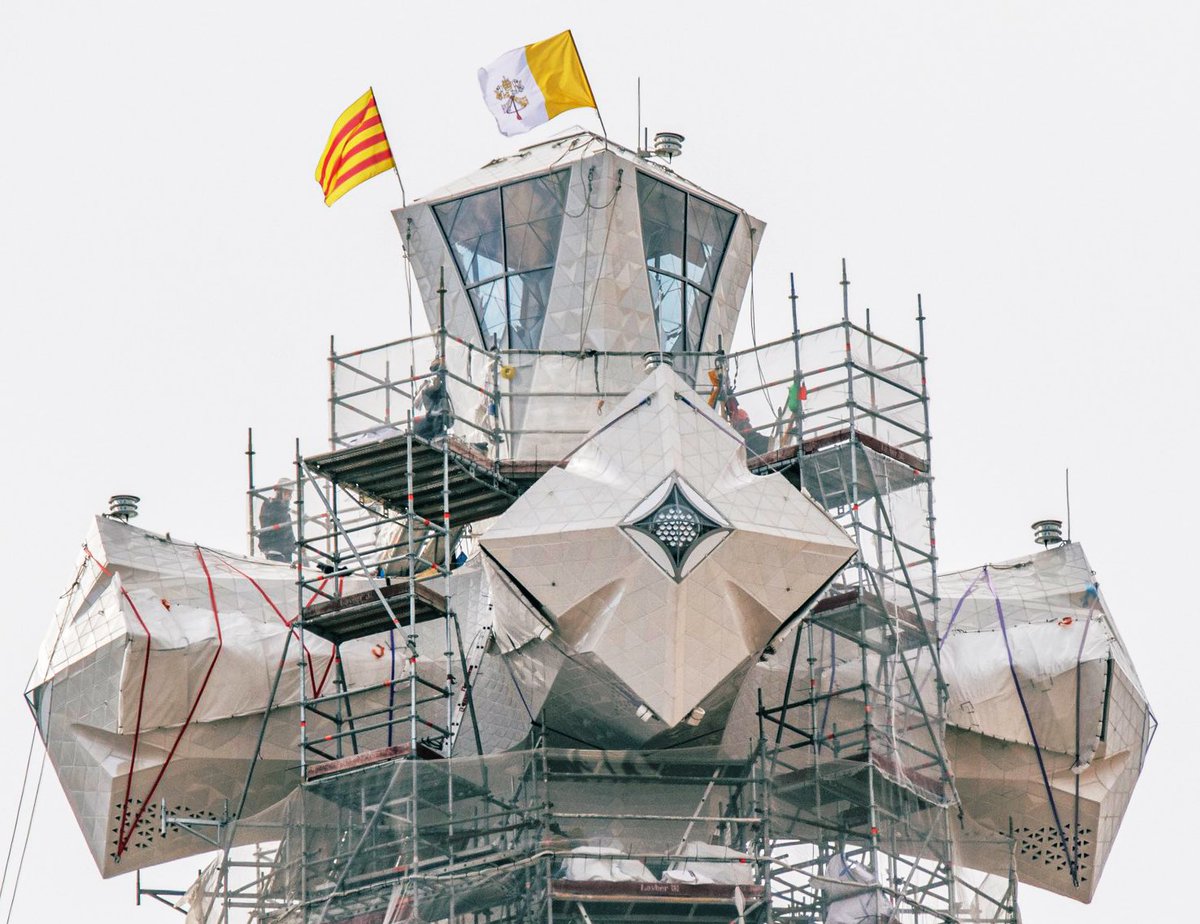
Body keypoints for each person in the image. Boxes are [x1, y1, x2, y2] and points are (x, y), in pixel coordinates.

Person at [413, 357, 452, 441]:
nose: (437, 372)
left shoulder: (448, 386)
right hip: (432, 418)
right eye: (435, 369)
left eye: (438, 368)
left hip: (442, 418)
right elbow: (417, 403)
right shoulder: (428, 383)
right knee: (417, 428)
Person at [258, 479, 295, 563]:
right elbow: (269, 522)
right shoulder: (270, 505)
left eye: (290, 494)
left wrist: (295, 544)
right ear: (279, 492)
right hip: (274, 549)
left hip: (285, 550)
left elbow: (289, 532)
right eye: (287, 493)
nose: (289, 497)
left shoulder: (285, 512)